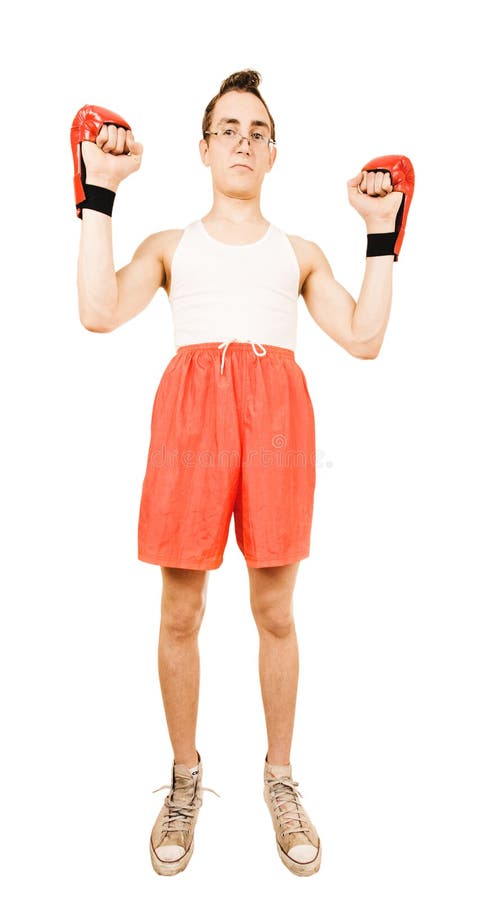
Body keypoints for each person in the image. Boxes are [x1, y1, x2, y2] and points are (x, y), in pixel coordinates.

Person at [74, 69, 410, 878]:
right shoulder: (166, 247)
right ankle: (186, 778)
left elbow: (364, 338)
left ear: (274, 153)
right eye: (228, 128)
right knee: (181, 608)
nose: (243, 141)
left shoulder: (298, 253)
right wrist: (99, 193)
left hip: (278, 422)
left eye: (257, 130)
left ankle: (280, 776)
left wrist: (381, 233)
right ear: (202, 148)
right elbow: (96, 310)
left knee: (276, 608)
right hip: (191, 417)